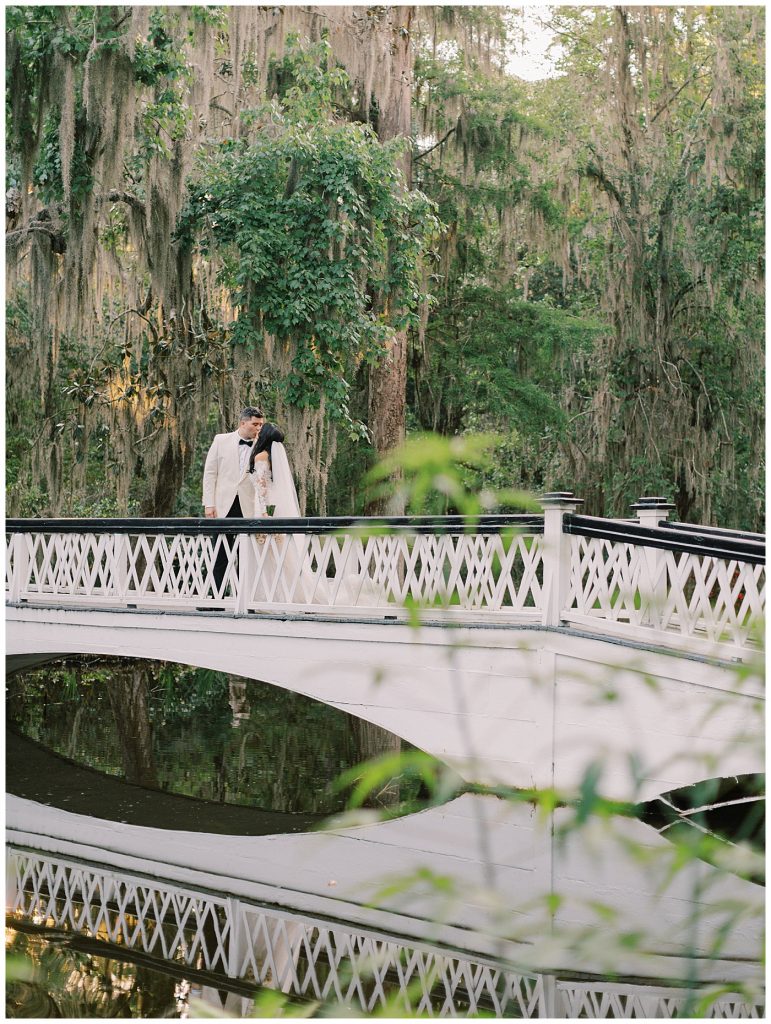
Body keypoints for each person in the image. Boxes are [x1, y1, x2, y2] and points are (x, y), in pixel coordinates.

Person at [202, 406, 264, 592]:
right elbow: (210, 473)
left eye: (261, 424)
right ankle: (215, 597)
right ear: (243, 423)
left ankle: (244, 597)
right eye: (255, 424)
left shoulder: (262, 445)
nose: (258, 428)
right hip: (222, 506)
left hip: (249, 506)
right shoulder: (221, 440)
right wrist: (209, 504)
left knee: (246, 553)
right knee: (220, 551)